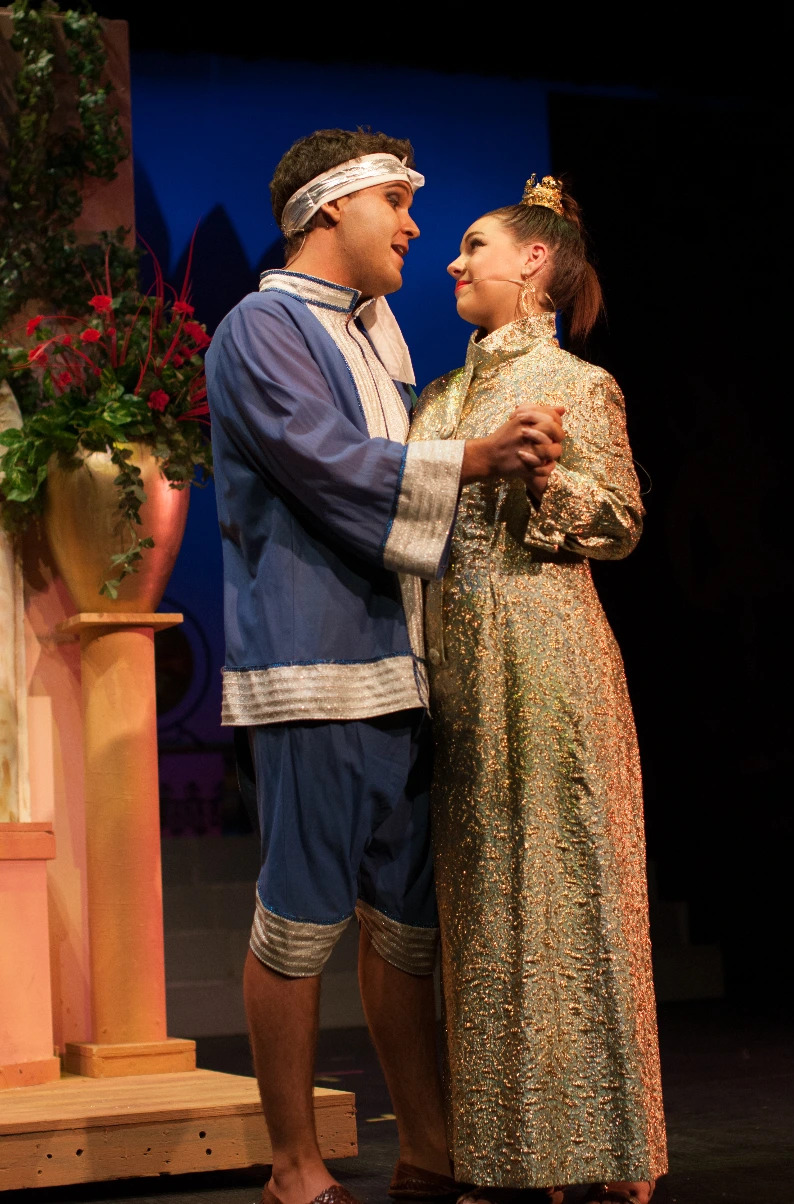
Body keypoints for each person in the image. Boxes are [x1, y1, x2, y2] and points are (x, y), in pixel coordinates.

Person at [205, 130, 565, 1204]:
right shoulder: (263, 326)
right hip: (316, 665)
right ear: (330, 208)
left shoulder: (375, 334)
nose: (413, 227)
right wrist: (477, 457)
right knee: (301, 916)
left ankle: (428, 1146)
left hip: (402, 664)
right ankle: (293, 1164)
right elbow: (328, 464)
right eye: (395, 204)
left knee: (406, 925)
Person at [408, 174, 668, 1204]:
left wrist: (547, 479)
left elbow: (623, 521)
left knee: (574, 893)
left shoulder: (577, 382)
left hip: (552, 654)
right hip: (460, 663)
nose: (452, 260)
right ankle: (506, 1157)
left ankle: (606, 1150)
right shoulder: (439, 397)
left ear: (533, 261)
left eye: (474, 243)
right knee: (483, 906)